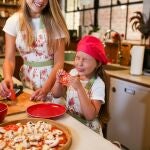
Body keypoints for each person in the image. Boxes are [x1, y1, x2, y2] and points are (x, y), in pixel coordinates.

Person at [0, 0, 70, 101]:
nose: (41, 0)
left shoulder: (55, 21)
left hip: (53, 86)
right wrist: (7, 77)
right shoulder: (13, 21)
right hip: (27, 84)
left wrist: (46, 89)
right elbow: (9, 60)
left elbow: (59, 63)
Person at [52, 35, 110, 136]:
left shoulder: (98, 84)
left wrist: (79, 88)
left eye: (85, 60)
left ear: (98, 63)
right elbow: (56, 94)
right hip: (72, 124)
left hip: (88, 130)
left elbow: (90, 116)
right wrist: (58, 82)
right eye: (77, 58)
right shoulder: (73, 72)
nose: (79, 63)